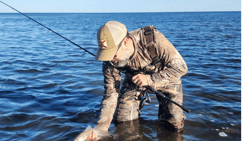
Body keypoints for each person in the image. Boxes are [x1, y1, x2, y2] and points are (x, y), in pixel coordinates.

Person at [75, 21, 188, 141]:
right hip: (133, 80)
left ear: (125, 41)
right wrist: (102, 127)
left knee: (174, 125)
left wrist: (149, 79)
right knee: (123, 123)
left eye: (113, 54)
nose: (110, 60)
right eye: (106, 54)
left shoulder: (153, 39)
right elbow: (111, 94)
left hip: (166, 77)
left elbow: (181, 68)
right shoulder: (109, 60)